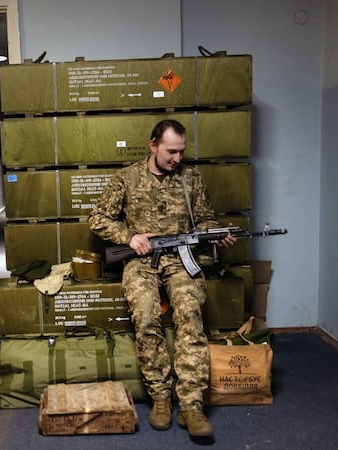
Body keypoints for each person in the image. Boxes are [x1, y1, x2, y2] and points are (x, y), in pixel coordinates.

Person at [88, 119, 236, 438]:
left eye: (182, 152)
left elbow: (205, 218)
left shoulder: (191, 179)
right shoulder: (127, 178)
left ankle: (191, 406)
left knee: (191, 316)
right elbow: (97, 218)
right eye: (171, 152)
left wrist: (215, 232)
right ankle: (160, 397)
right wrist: (129, 237)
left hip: (181, 259)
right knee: (144, 317)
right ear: (153, 145)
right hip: (141, 260)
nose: (177, 159)